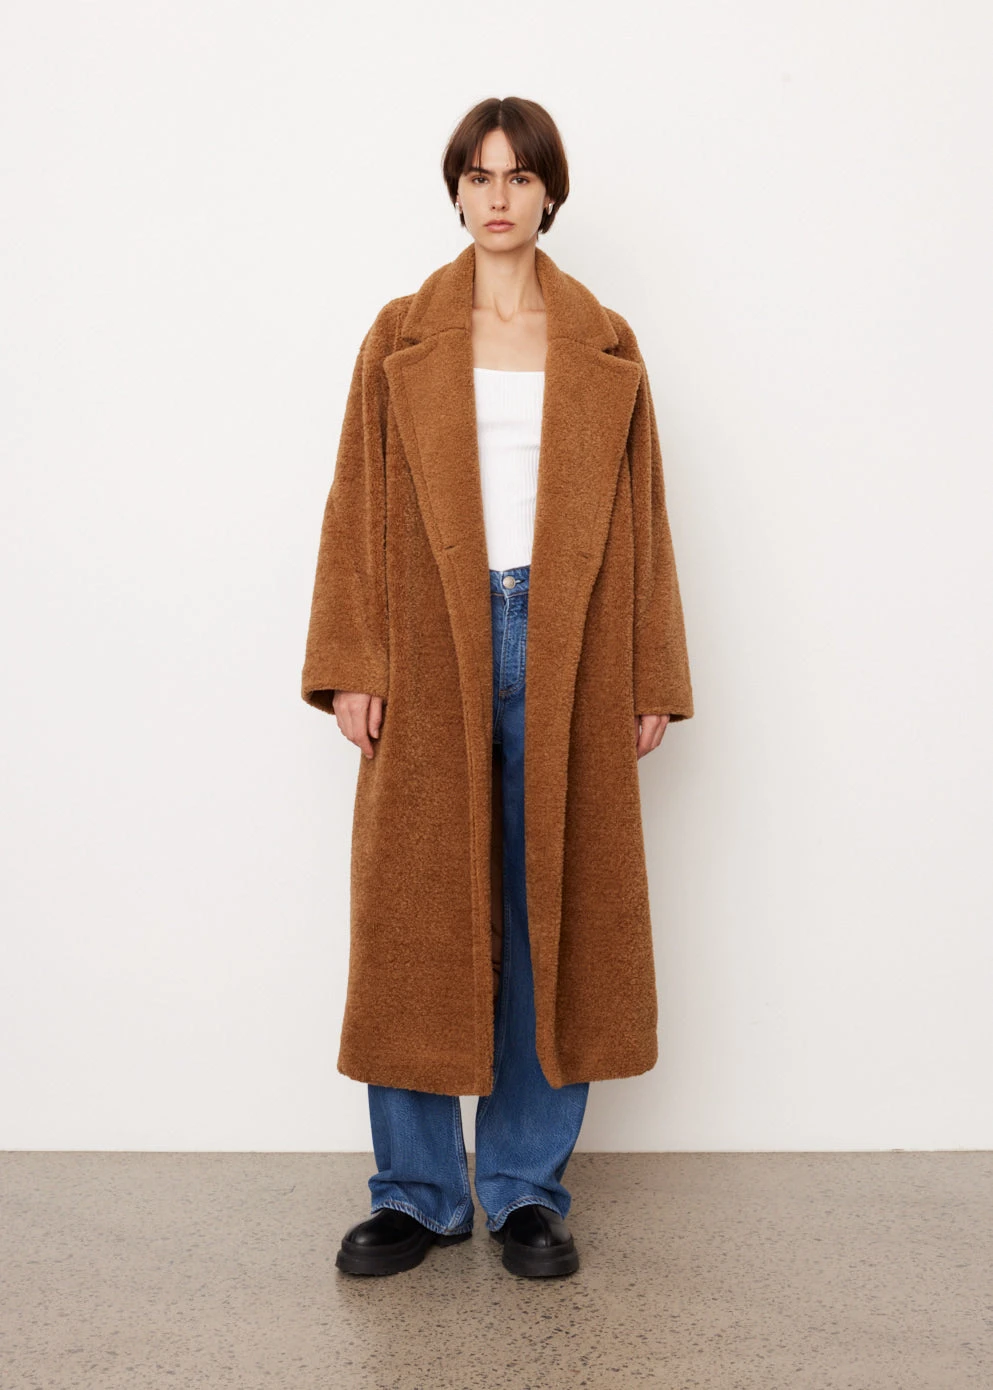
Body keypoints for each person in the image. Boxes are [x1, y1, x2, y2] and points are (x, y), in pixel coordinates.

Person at [300, 96, 694, 1279]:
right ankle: (419, 1194)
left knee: (551, 913)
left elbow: (645, 519)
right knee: (418, 915)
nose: (498, 197)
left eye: (519, 176)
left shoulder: (605, 342)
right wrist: (353, 661)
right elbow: (356, 504)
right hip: (433, 643)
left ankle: (526, 1187)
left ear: (549, 192)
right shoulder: (401, 335)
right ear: (457, 191)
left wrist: (652, 673)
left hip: (569, 647)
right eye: (479, 176)